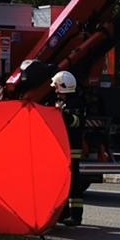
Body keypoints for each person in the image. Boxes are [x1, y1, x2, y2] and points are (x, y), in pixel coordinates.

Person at [49, 71, 88, 226]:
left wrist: (61, 113)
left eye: (56, 86)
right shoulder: (64, 102)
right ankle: (63, 213)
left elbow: (76, 122)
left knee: (73, 182)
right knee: (63, 182)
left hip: (73, 148)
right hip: (64, 148)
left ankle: (76, 216)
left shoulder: (75, 103)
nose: (55, 89)